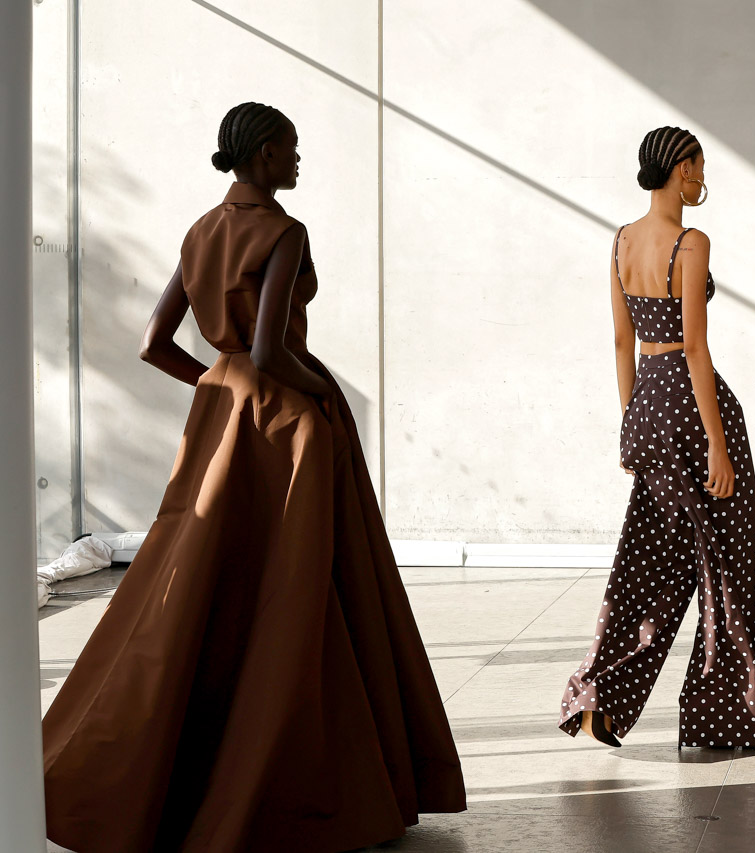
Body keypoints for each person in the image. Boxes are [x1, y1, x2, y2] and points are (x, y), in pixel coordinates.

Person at [42, 102, 466, 852]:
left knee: (209, 582)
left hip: (221, 417)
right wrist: (322, 393)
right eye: (292, 149)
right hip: (286, 425)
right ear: (264, 154)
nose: (298, 161)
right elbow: (271, 351)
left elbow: (153, 344)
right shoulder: (284, 231)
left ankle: (161, 770)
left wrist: (215, 381)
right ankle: (295, 781)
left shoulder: (201, 230)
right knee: (298, 591)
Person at [558, 127, 755, 749]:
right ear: (680, 169)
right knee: (727, 571)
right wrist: (716, 442)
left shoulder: (622, 241)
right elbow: (698, 349)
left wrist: (631, 425)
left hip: (649, 408)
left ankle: (600, 698)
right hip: (692, 405)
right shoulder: (690, 242)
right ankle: (723, 719)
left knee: (647, 565)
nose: (703, 176)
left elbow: (623, 343)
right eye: (699, 164)